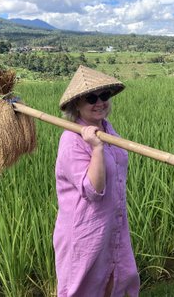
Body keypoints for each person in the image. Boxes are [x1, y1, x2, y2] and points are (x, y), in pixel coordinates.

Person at [53, 65, 140, 297]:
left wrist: (100, 140)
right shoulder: (72, 140)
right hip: (86, 230)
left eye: (104, 96)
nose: (99, 102)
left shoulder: (106, 127)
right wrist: (97, 148)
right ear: (76, 105)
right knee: (84, 287)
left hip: (113, 222)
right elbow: (93, 189)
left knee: (116, 278)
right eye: (91, 98)